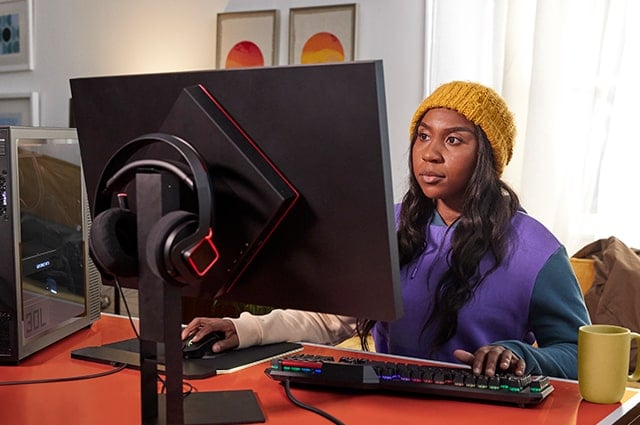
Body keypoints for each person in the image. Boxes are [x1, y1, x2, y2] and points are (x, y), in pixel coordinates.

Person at [182, 81, 591, 379]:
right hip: (385, 401)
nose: (430, 153)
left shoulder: (537, 251)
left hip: (484, 410)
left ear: (487, 156)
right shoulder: (387, 227)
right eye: (423, 136)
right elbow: (331, 319)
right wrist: (244, 329)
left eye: (453, 140)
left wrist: (522, 356)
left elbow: (578, 353)